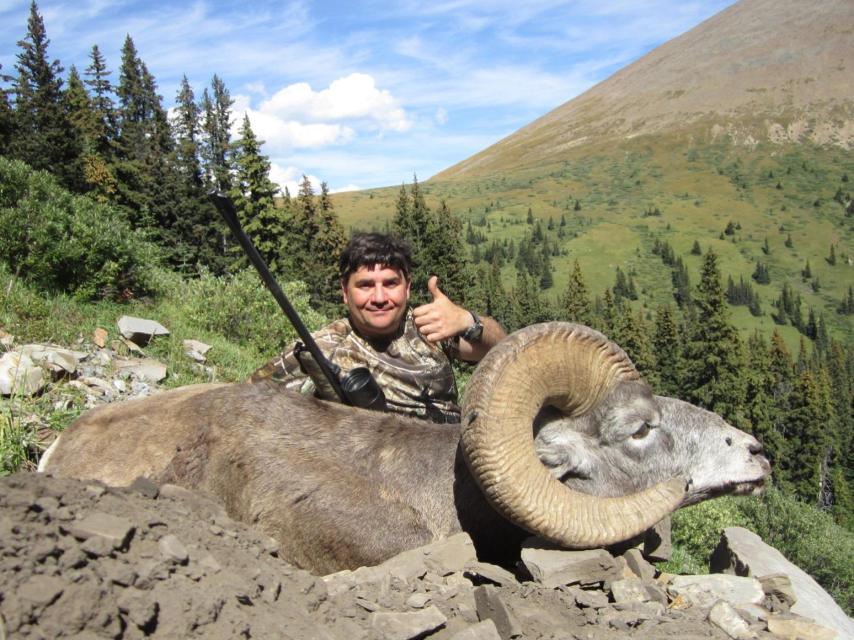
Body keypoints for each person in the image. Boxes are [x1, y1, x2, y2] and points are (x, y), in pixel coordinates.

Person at [251, 232, 506, 422]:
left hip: (448, 462)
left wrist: (469, 321)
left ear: (407, 287)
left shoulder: (430, 328)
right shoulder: (318, 349)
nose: (380, 297)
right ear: (344, 291)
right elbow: (247, 402)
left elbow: (502, 350)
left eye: (391, 283)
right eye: (365, 285)